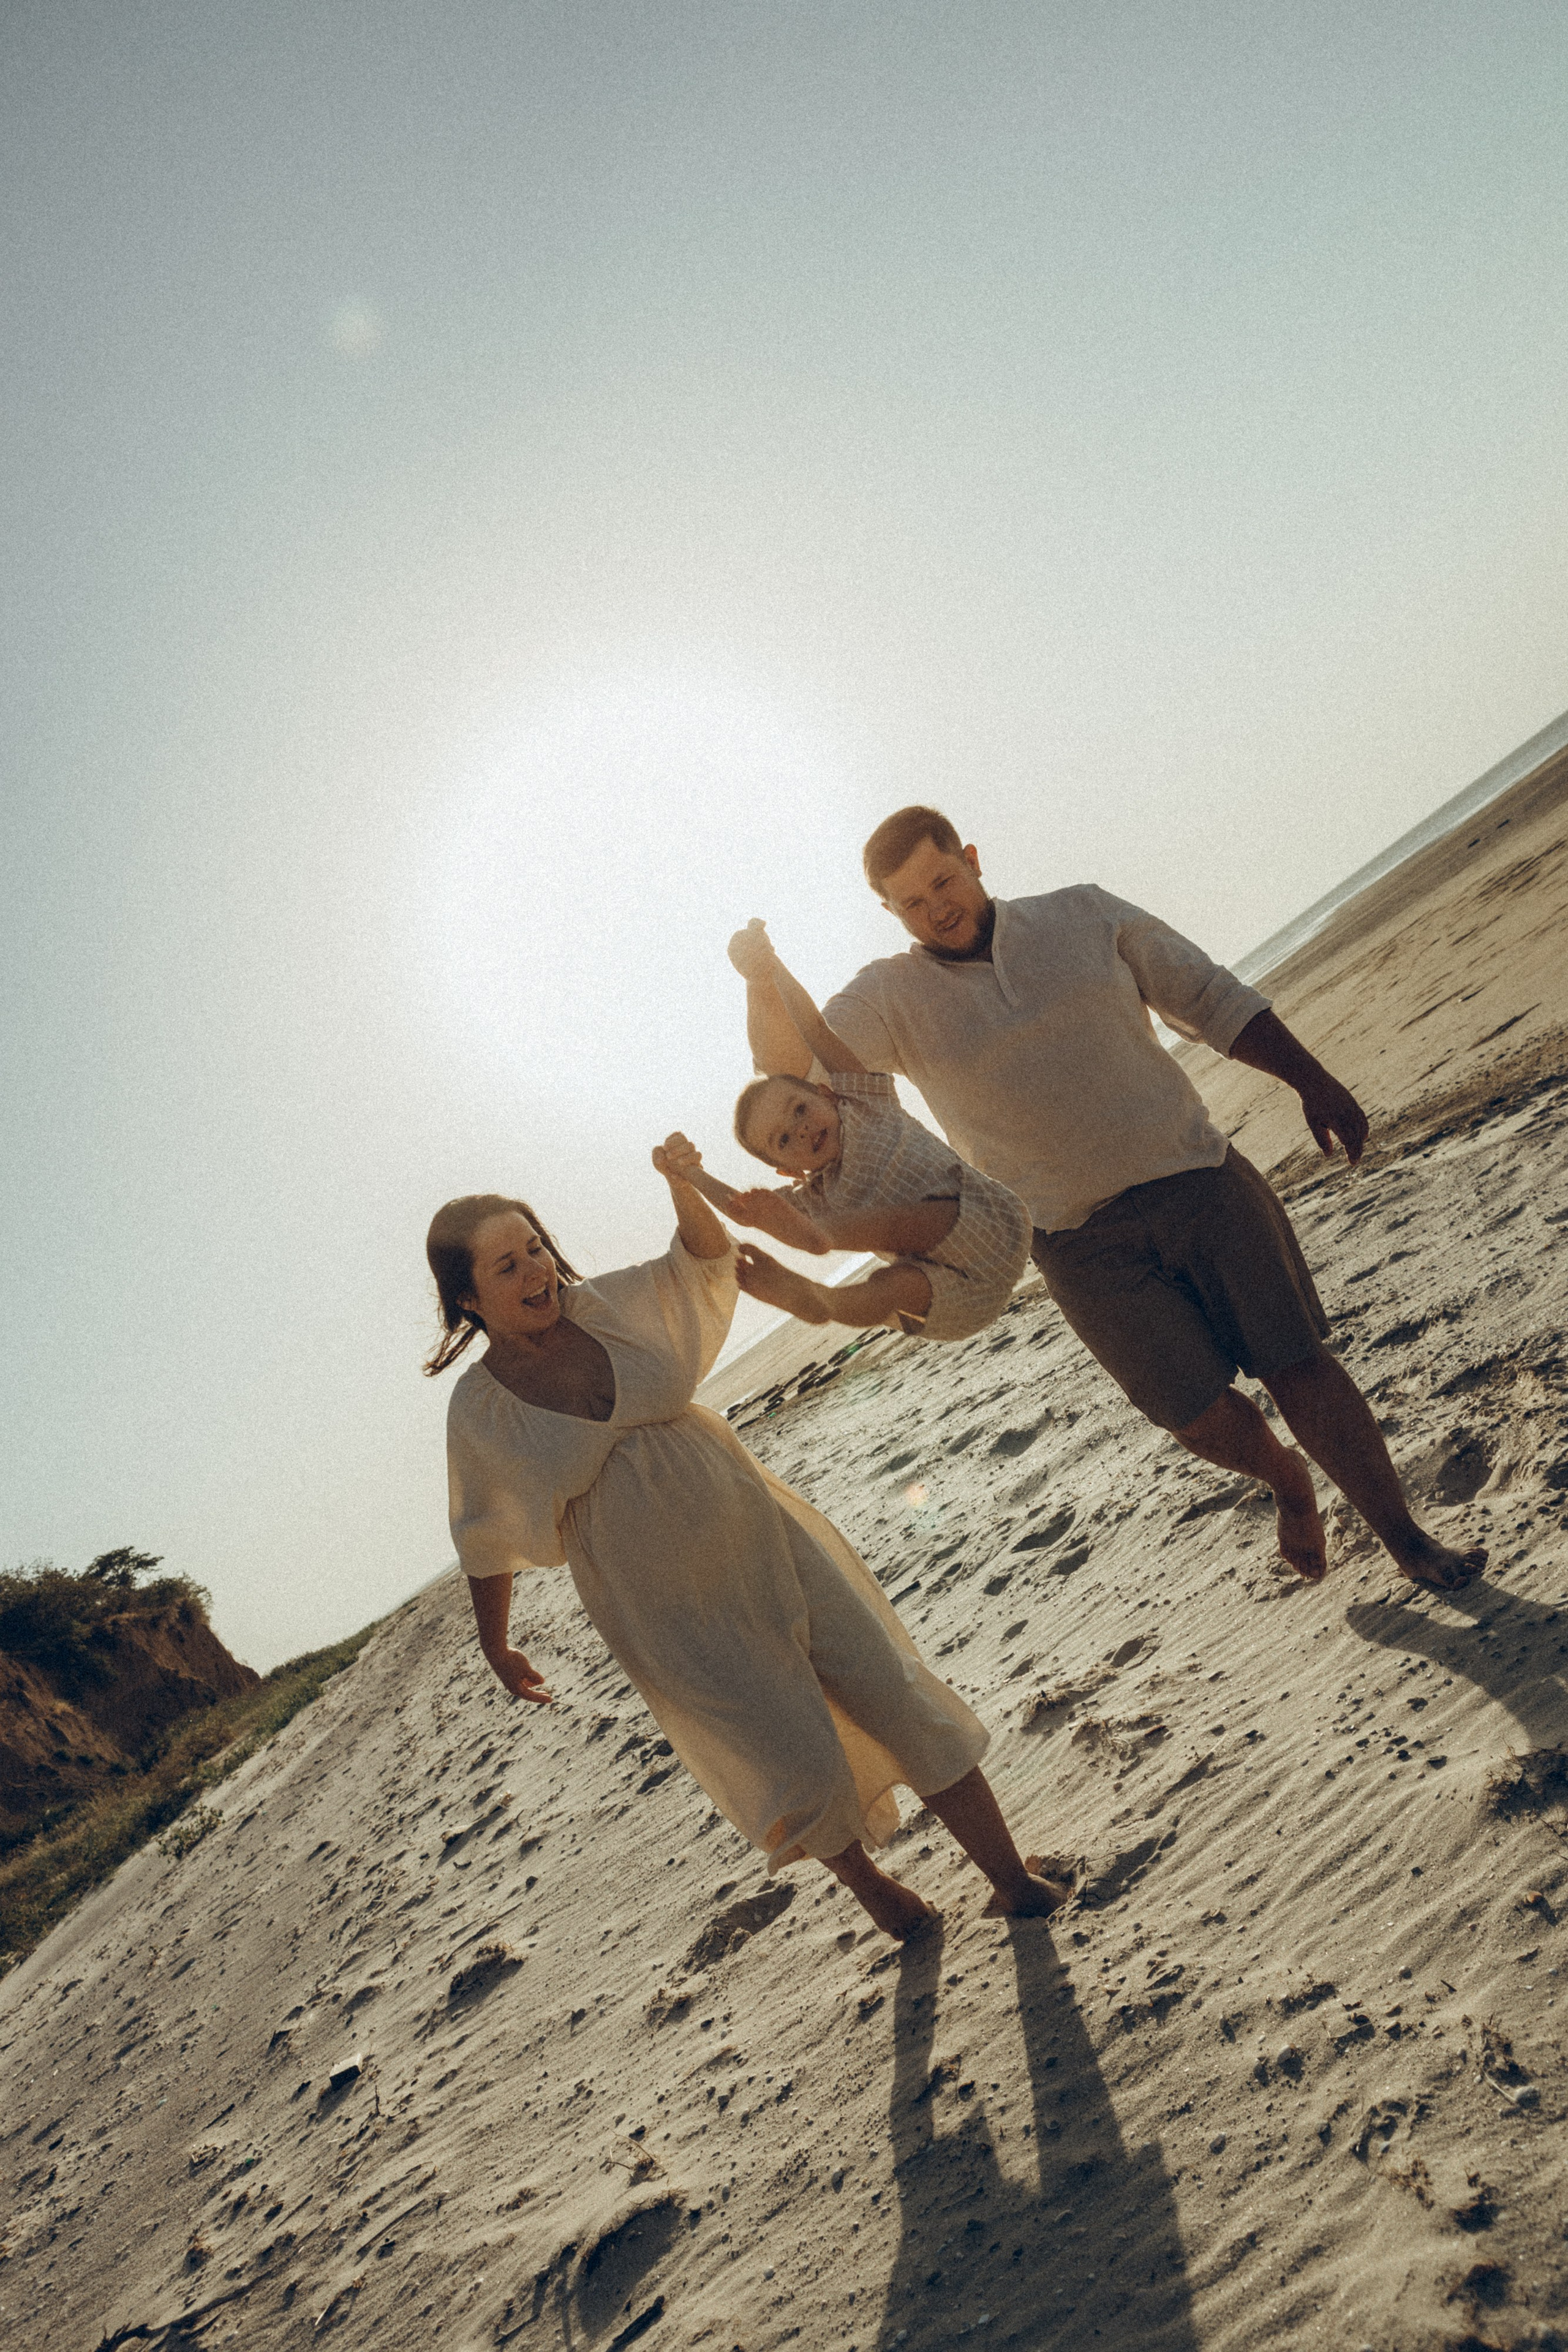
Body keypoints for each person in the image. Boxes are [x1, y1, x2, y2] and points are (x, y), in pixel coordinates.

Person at [731, 806, 1487, 1594]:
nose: (936, 908)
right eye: (912, 903)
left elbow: (1207, 996)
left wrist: (1311, 1078)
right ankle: (1285, 1479)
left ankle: (1406, 1540)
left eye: (943, 881)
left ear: (973, 860)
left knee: (1296, 1365)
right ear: (889, 913)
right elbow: (784, 1067)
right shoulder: (889, 995)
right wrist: (760, 980)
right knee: (1192, 1413)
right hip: (1072, 1239)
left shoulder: (1081, 915)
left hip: (1197, 1179)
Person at [423, 1151, 1069, 1938]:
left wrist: (681, 1185)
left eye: (536, 1248)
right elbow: (484, 1537)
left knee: (890, 1689)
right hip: (662, 1608)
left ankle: (1009, 1878)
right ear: (468, 1297)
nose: (537, 1271)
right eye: (507, 1265)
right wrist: (498, 1646)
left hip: (764, 1537)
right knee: (790, 1754)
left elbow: (698, 1258)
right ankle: (873, 1891)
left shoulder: (606, 1306)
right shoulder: (479, 1410)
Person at [659, 921, 1031, 1341]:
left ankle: (825, 1240)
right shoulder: (816, 1198)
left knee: (898, 1225)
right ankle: (823, 1301)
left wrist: (772, 966)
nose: (800, 1131)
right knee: (888, 1288)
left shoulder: (865, 1104)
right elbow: (742, 1208)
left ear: (828, 1093)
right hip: (951, 1303)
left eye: (800, 1110)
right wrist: (689, 1172)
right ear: (787, 1172)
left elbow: (815, 1029)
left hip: (993, 1226)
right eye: (782, 1141)